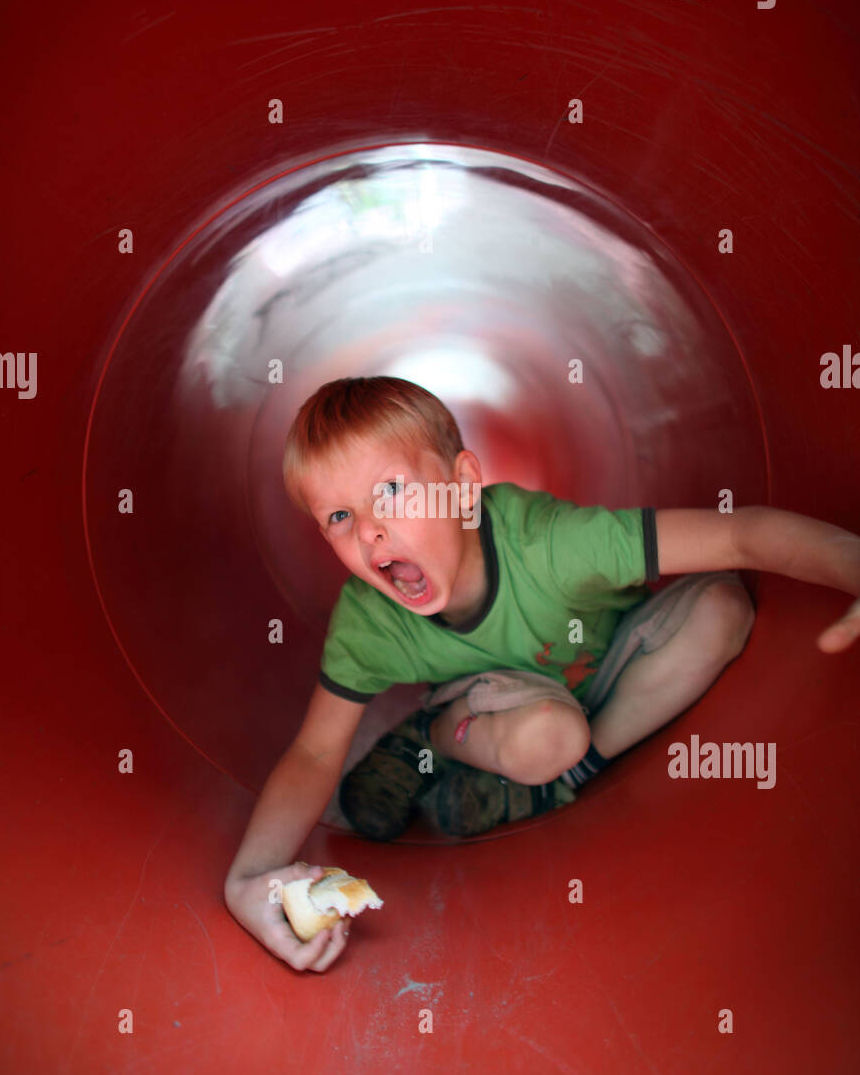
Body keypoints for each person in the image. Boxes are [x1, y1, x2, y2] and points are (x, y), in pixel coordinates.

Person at [224, 376, 860, 972]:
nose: (370, 531)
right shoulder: (370, 621)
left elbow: (738, 538)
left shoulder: (549, 544)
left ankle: (573, 771)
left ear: (464, 484)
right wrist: (248, 881)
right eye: (339, 517)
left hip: (604, 681)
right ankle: (432, 738)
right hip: (496, 709)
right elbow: (315, 750)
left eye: (390, 491)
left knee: (725, 608)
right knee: (551, 735)